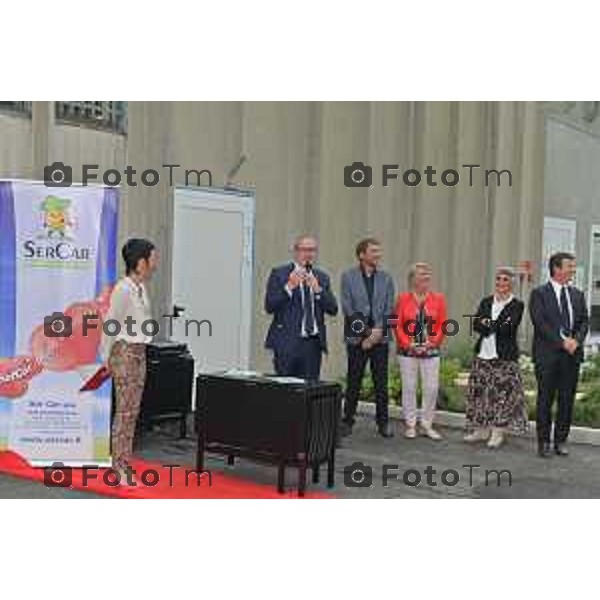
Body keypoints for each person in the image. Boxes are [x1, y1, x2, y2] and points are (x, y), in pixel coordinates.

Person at [100, 238, 158, 483]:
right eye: (152, 258)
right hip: (124, 353)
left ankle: (125, 462)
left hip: (139, 352)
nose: (155, 263)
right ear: (140, 262)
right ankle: (118, 467)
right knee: (124, 413)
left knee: (132, 412)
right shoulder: (123, 289)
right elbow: (110, 325)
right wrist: (106, 358)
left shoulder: (141, 288)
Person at [529, 252, 589, 458]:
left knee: (566, 400)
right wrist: (562, 342)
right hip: (547, 356)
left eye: (573, 266)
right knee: (545, 400)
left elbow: (583, 322)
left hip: (571, 357)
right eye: (569, 266)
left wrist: (576, 341)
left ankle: (560, 441)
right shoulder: (539, 294)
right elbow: (540, 323)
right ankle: (543, 442)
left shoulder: (577, 294)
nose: (573, 269)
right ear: (556, 268)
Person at [464, 267, 527, 448]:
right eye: (498, 279)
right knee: (481, 394)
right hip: (483, 354)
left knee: (502, 396)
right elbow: (477, 323)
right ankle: (481, 430)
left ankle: (497, 432)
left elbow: (508, 326)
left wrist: (489, 323)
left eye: (505, 280)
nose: (501, 283)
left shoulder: (517, 305)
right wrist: (494, 324)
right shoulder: (486, 302)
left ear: (512, 284)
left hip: (504, 357)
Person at [339, 238, 395, 438]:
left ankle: (383, 423)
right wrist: (365, 333)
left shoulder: (386, 278)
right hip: (357, 338)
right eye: (373, 251)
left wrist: (377, 333)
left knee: (381, 382)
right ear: (362, 255)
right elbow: (348, 308)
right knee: (354, 380)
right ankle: (347, 420)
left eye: (379, 251)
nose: (378, 255)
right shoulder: (348, 277)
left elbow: (390, 309)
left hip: (381, 338)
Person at [264, 235, 338, 380]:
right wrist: (289, 286)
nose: (309, 254)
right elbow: (269, 306)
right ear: (296, 251)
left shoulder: (321, 277)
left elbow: (333, 309)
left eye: (312, 250)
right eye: (305, 250)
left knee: (309, 391)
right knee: (286, 391)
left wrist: (318, 290)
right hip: (286, 343)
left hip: (312, 345)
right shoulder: (280, 273)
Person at [393, 263, 447, 440]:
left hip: (431, 351)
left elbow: (442, 325)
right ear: (412, 279)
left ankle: (426, 424)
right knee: (409, 387)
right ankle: (410, 424)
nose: (426, 277)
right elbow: (397, 325)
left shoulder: (438, 299)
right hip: (407, 352)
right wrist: (407, 344)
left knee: (431, 388)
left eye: (427, 274)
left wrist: (432, 343)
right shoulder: (403, 299)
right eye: (422, 274)